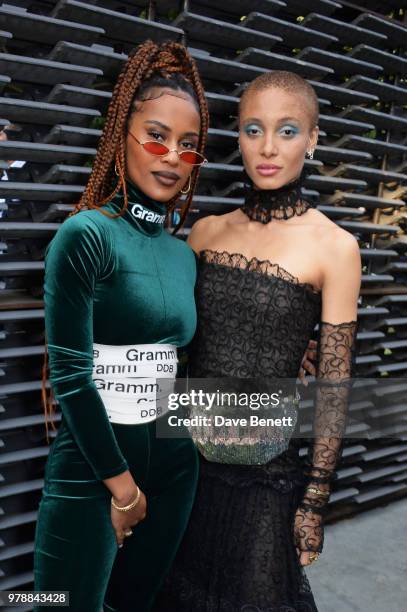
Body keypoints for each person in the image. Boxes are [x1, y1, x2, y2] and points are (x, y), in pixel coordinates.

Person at [153, 71, 361, 611]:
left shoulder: (335, 248)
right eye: (253, 129)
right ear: (239, 136)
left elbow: (335, 385)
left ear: (313, 140)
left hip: (265, 480)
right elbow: (178, 357)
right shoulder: (205, 232)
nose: (267, 148)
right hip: (187, 471)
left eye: (287, 131)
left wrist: (314, 501)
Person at [33, 39, 209, 612]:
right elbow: (72, 375)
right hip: (94, 468)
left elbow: (184, 359)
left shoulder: (183, 256)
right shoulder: (85, 235)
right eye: (156, 136)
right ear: (122, 135)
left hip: (174, 462)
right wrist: (121, 484)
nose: (170, 157)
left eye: (188, 146)